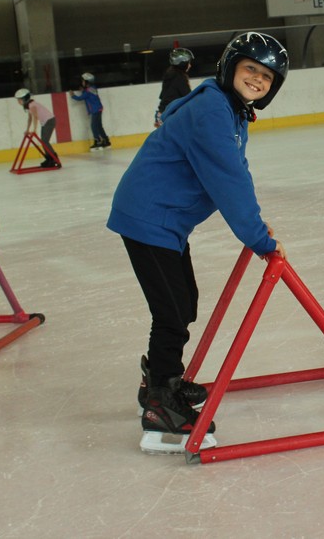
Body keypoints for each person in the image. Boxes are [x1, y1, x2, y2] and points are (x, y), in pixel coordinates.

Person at [108, 32, 289, 454]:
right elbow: (229, 183)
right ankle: (160, 403)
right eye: (250, 70)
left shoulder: (230, 110)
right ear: (230, 68)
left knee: (184, 301)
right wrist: (259, 239)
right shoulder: (211, 110)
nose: (257, 80)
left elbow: (236, 172)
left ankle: (158, 378)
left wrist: (257, 227)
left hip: (164, 221)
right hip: (149, 217)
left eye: (266, 76)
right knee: (171, 311)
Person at [13, 88, 61, 167]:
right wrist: (27, 130)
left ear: (25, 99)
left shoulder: (32, 105)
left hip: (49, 121)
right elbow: (30, 118)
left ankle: (53, 158)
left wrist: (34, 129)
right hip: (45, 122)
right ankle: (49, 158)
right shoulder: (28, 105)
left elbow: (35, 117)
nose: (18, 101)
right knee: (44, 141)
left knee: (44, 141)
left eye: (19, 99)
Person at [154, 47, 194, 128]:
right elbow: (188, 96)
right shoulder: (179, 77)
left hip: (163, 113)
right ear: (182, 63)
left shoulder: (170, 73)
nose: (190, 65)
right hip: (170, 115)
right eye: (188, 63)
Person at [71, 73, 111, 150]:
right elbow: (87, 95)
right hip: (98, 109)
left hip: (95, 110)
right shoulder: (92, 88)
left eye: (83, 81)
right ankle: (105, 140)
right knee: (99, 126)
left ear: (87, 82)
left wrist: (72, 95)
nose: (82, 83)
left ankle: (98, 141)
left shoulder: (88, 91)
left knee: (94, 126)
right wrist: (83, 91)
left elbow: (80, 98)